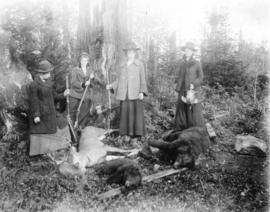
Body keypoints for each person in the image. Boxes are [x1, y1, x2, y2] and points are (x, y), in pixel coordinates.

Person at [107, 41, 148, 143]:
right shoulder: (123, 65)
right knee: (125, 114)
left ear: (135, 53)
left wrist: (142, 92)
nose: (130, 54)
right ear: (126, 53)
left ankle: (137, 135)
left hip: (135, 93)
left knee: (136, 114)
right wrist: (111, 86)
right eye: (128, 52)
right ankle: (126, 134)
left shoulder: (140, 65)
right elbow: (119, 80)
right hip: (124, 93)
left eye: (132, 52)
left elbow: (143, 79)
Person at [28, 60, 70, 156]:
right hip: (41, 114)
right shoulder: (34, 85)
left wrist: (63, 94)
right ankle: (40, 151)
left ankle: (53, 149)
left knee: (62, 123)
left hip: (50, 112)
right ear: (42, 73)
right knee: (42, 132)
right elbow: (33, 101)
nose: (50, 73)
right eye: (49, 72)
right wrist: (36, 115)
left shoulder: (48, 83)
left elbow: (54, 96)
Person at [174, 42, 205, 130]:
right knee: (181, 110)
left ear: (192, 52)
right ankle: (181, 130)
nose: (187, 52)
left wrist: (194, 84)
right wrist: (177, 89)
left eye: (189, 50)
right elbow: (180, 77)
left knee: (193, 111)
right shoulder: (182, 63)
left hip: (193, 90)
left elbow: (201, 77)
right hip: (183, 90)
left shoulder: (197, 63)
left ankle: (194, 129)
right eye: (186, 50)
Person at [64, 52, 95, 129]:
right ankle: (70, 129)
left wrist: (92, 79)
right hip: (75, 94)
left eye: (86, 61)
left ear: (88, 61)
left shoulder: (90, 70)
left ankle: (80, 128)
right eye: (83, 61)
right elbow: (73, 82)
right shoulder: (75, 70)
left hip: (85, 95)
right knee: (72, 112)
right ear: (80, 61)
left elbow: (92, 83)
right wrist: (83, 84)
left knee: (84, 112)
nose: (84, 62)